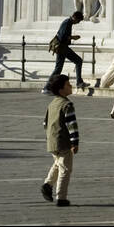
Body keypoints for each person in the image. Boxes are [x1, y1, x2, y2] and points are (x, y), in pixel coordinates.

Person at [42, 75, 78, 207]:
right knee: (65, 169)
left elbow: (45, 123)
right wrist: (75, 142)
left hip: (51, 141)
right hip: (63, 142)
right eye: (68, 84)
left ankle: (48, 184)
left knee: (58, 163)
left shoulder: (52, 104)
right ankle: (61, 197)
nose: (71, 86)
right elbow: (71, 125)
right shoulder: (67, 105)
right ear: (61, 89)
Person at [50, 10, 89, 89]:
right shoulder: (67, 23)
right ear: (74, 17)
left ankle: (48, 87)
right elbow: (62, 37)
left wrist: (71, 37)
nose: (78, 23)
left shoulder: (68, 22)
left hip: (62, 48)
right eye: (78, 20)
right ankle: (79, 82)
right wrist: (73, 37)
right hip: (62, 48)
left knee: (58, 69)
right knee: (78, 61)